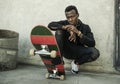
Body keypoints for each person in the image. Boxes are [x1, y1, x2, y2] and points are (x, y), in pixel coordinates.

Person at [48, 5, 100, 74]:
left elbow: (92, 43)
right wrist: (66, 28)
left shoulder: (85, 27)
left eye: (72, 16)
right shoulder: (65, 23)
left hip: (78, 51)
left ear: (77, 15)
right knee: (59, 31)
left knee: (95, 52)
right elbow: (50, 25)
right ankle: (59, 59)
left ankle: (76, 63)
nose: (70, 20)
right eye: (68, 17)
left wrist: (78, 32)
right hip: (66, 50)